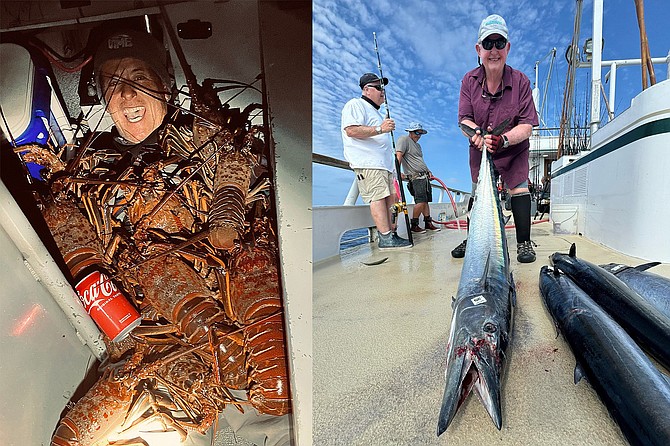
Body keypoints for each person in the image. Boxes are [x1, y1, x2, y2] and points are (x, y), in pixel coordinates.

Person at [451, 14, 539, 263]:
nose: (493, 50)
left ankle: (523, 242)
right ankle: (474, 238)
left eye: (499, 43)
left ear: (507, 48)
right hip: (480, 149)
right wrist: (477, 135)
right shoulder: (469, 80)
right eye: (487, 44)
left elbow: (527, 125)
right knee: (479, 193)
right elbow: (464, 119)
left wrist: (504, 140)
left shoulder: (521, 81)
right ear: (478, 49)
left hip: (513, 148)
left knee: (519, 189)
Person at [341, 72, 412, 250]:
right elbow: (351, 130)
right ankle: (386, 237)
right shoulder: (355, 104)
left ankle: (390, 234)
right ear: (366, 89)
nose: (383, 92)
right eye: (379, 88)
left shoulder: (375, 112)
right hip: (368, 163)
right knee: (378, 197)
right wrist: (381, 128)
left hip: (384, 167)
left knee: (390, 199)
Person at [395, 122, 441, 233]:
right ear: (410, 131)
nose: (419, 135)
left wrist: (428, 171)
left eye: (420, 133)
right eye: (416, 132)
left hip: (424, 177)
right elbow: (398, 156)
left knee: (425, 202)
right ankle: (414, 225)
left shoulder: (418, 146)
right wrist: (397, 172)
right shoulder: (403, 140)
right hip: (415, 178)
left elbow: (419, 161)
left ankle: (428, 223)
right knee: (420, 201)